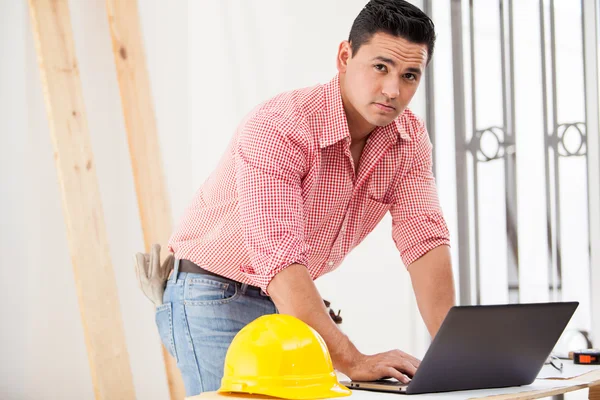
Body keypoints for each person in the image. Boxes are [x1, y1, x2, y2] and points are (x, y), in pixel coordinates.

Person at [147, 0, 456, 396]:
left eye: (410, 75)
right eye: (381, 67)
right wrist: (355, 360)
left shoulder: (408, 139)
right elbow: (280, 259)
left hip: (289, 298)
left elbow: (424, 240)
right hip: (215, 293)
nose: (394, 90)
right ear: (345, 56)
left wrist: (455, 357)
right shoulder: (281, 126)